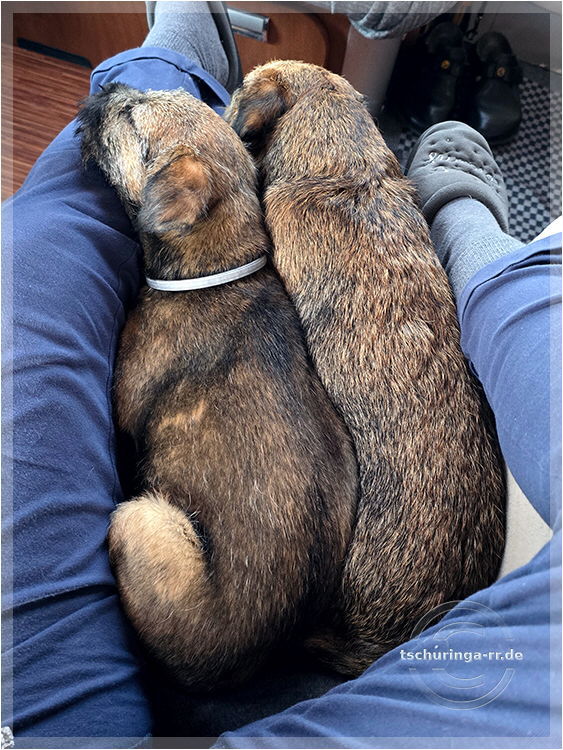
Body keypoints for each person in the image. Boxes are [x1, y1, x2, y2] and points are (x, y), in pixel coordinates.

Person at [2, 2, 560, 747]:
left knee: (40, 238)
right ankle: (466, 224)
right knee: (531, 319)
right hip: (399, 634)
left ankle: (171, 62)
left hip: (275, 636)